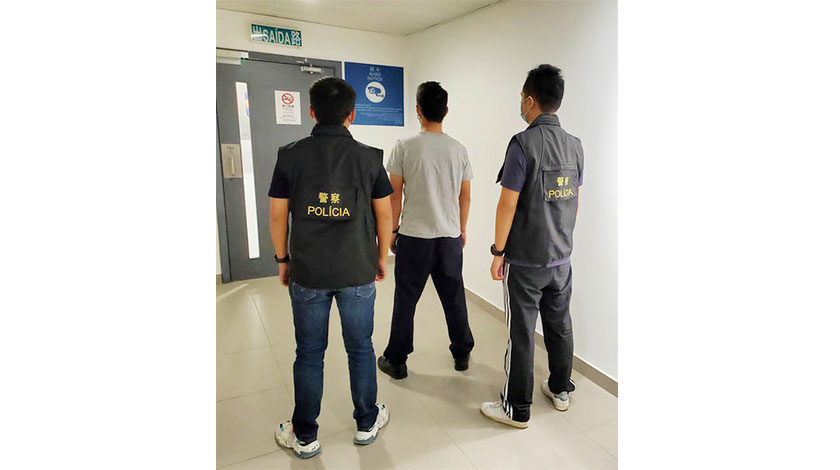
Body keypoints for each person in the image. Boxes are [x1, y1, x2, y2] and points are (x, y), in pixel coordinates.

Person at [267, 76, 394, 458]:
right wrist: (382, 256)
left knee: (309, 353)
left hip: (308, 273)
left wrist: (283, 259)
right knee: (361, 348)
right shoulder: (370, 158)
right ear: (352, 115)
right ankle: (367, 422)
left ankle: (305, 436)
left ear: (311, 111)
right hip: (357, 270)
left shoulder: (289, 156)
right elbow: (384, 214)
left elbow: (277, 215)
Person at [480, 64, 584, 429]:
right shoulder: (575, 145)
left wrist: (498, 252)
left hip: (525, 261)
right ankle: (560, 389)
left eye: (521, 99)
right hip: (561, 259)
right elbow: (575, 201)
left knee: (521, 333)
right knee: (560, 325)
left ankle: (517, 408)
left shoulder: (522, 144)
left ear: (529, 100)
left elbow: (507, 204)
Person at [376, 81, 475, 380]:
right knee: (454, 297)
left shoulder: (404, 146)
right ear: (446, 111)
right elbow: (465, 196)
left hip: (414, 238)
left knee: (406, 299)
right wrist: (462, 229)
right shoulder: (459, 150)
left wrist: (392, 230)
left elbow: (394, 194)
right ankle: (462, 353)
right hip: (449, 238)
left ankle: (397, 360)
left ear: (418, 110)